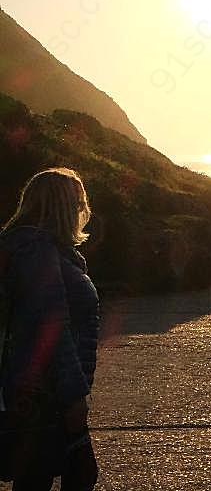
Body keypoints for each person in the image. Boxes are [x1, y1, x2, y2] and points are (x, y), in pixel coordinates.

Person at [0, 168, 100, 491]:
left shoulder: (39, 250)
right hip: (42, 396)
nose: (81, 211)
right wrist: (74, 398)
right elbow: (53, 329)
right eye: (77, 202)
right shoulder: (38, 251)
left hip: (38, 393)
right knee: (54, 477)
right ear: (60, 206)